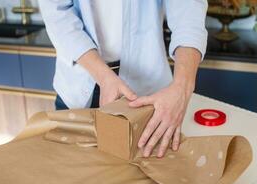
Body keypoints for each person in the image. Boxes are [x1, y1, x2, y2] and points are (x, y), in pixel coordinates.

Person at [39, 0, 208, 158]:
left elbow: (189, 10)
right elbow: (58, 15)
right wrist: (104, 77)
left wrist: (182, 87)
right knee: (71, 173)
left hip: (147, 93)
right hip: (78, 87)